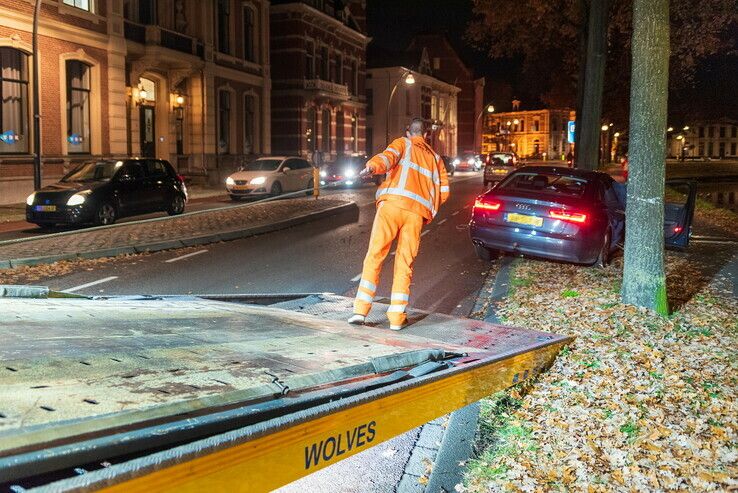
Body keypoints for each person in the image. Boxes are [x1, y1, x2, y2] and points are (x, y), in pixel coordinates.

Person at [348, 118, 449, 330]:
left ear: (408, 131)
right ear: (427, 134)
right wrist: (426, 208)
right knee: (405, 262)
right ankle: (396, 317)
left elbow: (386, 159)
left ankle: (360, 311)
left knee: (376, 254)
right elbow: (444, 193)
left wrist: (370, 168)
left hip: (391, 206)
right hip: (415, 215)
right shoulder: (436, 158)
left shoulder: (403, 143)